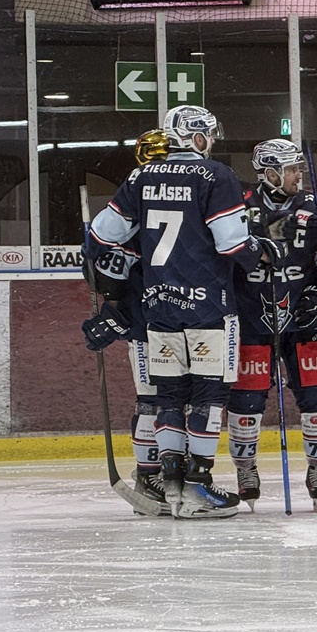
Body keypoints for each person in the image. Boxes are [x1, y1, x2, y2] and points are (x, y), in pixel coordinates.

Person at [85, 105, 283, 520]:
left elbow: (102, 235)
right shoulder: (216, 175)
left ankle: (171, 485)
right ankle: (197, 487)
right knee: (209, 398)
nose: (211, 142)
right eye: (208, 135)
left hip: (159, 307)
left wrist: (111, 290)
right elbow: (231, 244)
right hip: (208, 305)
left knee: (167, 397)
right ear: (197, 137)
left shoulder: (140, 177)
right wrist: (262, 252)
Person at [226, 139, 317, 512]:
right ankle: (246, 470)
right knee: (246, 401)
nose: (299, 176)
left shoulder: (314, 207)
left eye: (298, 169)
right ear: (271, 174)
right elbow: (226, 258)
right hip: (252, 320)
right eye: (292, 170)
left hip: (302, 321)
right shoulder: (241, 208)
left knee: (316, 398)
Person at [80, 128, 171, 517]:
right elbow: (106, 275)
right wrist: (115, 310)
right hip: (149, 325)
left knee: (181, 402)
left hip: (183, 319)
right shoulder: (128, 212)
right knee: (152, 400)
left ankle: (175, 472)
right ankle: (150, 475)